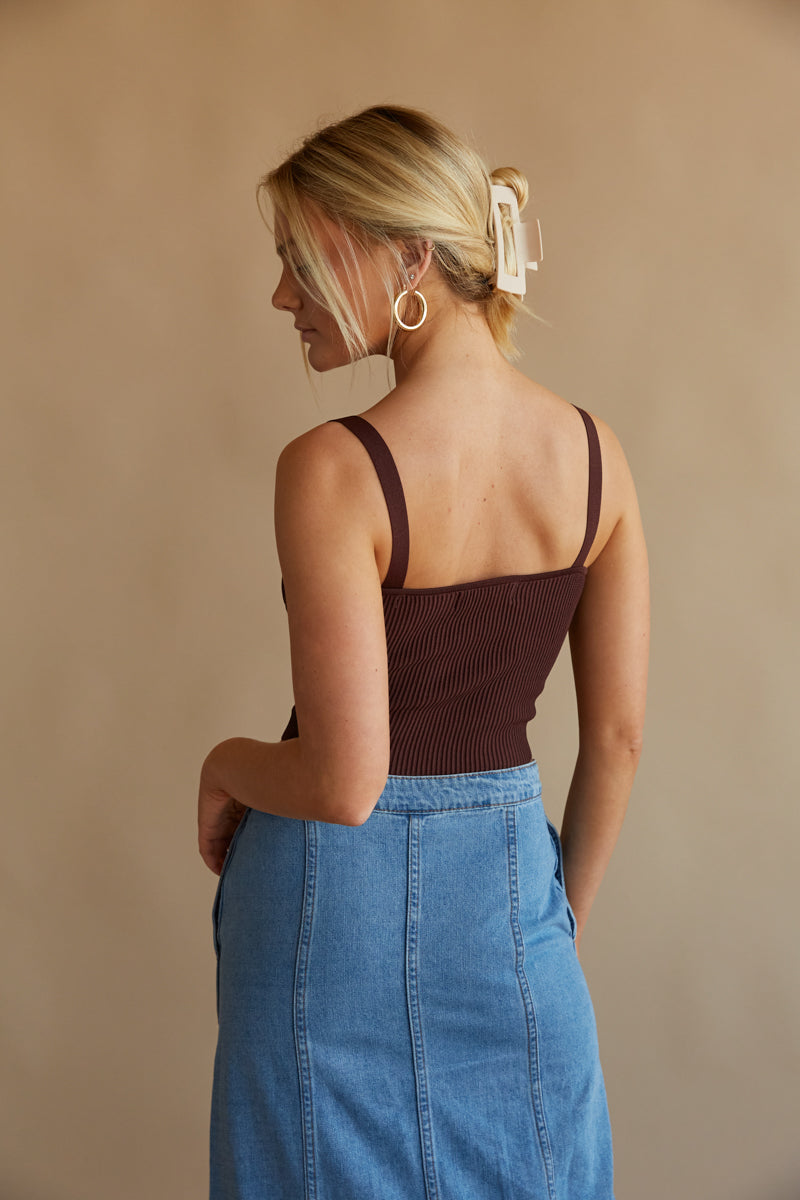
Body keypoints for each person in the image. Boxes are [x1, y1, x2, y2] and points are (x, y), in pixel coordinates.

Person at [198, 104, 649, 1200]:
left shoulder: (330, 468)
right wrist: (552, 929)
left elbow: (343, 782)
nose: (282, 295)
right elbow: (618, 739)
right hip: (507, 900)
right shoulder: (596, 457)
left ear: (408, 258)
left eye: (300, 258)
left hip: (325, 913)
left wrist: (221, 764)